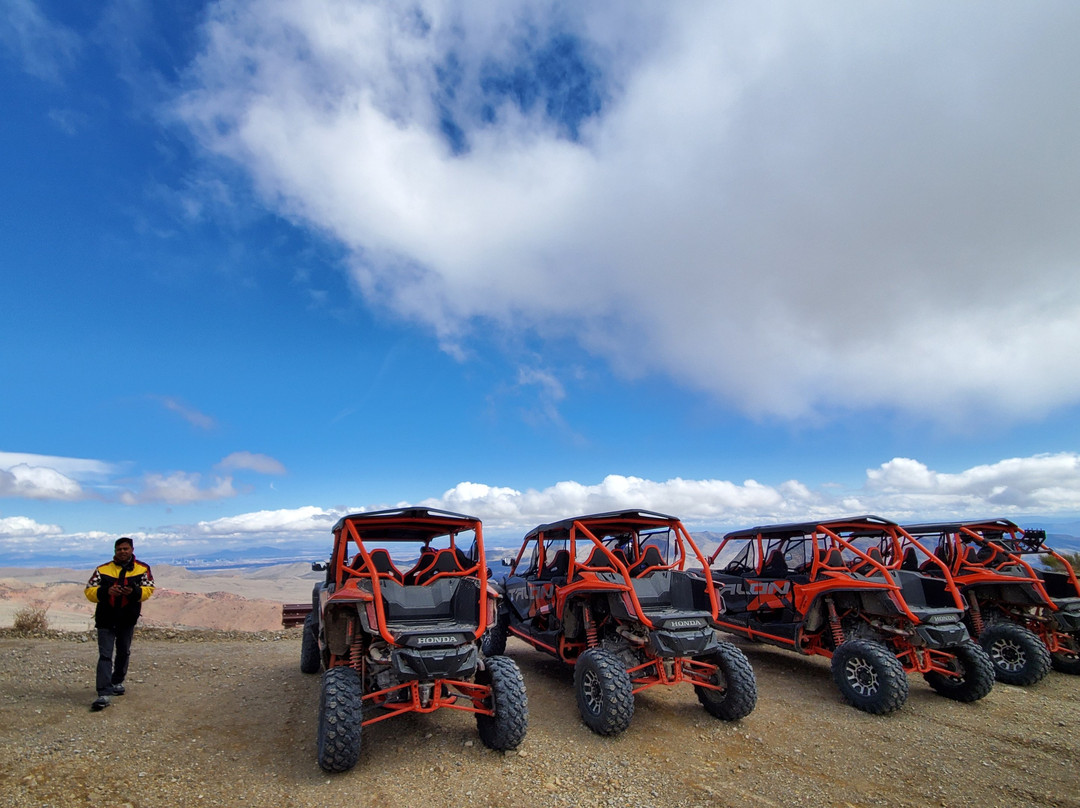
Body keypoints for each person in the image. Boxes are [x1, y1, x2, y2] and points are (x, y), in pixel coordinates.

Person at [84, 537, 154, 711]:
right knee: (105, 655)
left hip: (127, 618)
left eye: (125, 549)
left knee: (123, 652)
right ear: (115, 551)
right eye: (119, 549)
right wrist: (105, 591)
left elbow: (149, 589)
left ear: (131, 549)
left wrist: (134, 591)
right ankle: (103, 693)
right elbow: (89, 590)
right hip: (105, 619)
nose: (122, 552)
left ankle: (117, 682)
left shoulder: (142, 569)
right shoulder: (103, 569)